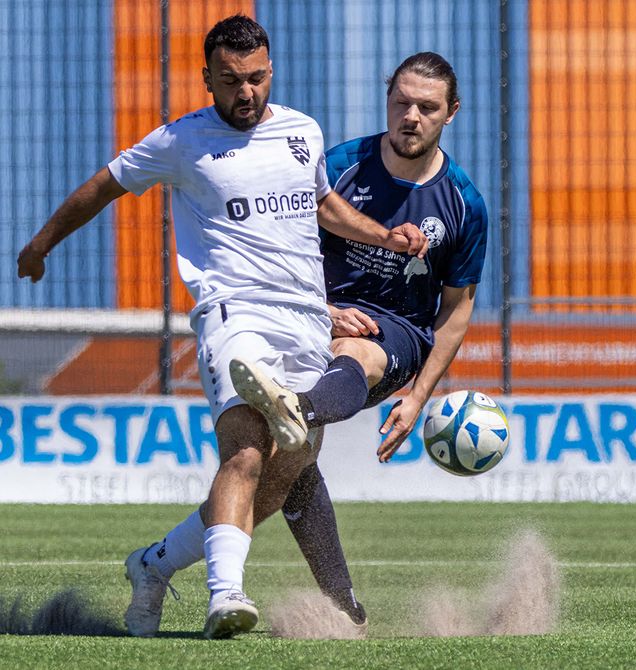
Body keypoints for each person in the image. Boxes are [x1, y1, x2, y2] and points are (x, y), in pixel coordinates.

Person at [15, 15, 426, 641]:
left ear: (271, 72)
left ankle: (153, 566)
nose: (246, 93)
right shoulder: (181, 141)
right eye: (231, 81)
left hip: (307, 321)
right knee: (244, 447)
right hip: (234, 314)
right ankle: (224, 595)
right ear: (208, 78)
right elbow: (103, 187)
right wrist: (41, 244)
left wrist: (384, 236)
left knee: (282, 471)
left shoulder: (301, 133)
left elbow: (320, 204)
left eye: (256, 78)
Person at [125, 50, 488, 637]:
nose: (411, 116)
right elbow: (279, 254)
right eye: (401, 102)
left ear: (451, 113)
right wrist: (323, 310)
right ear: (387, 98)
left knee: (357, 357)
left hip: (394, 333)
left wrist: (420, 396)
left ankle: (297, 408)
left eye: (427, 107)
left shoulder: (464, 203)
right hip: (308, 319)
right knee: (287, 471)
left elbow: (457, 307)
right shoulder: (339, 165)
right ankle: (163, 566)